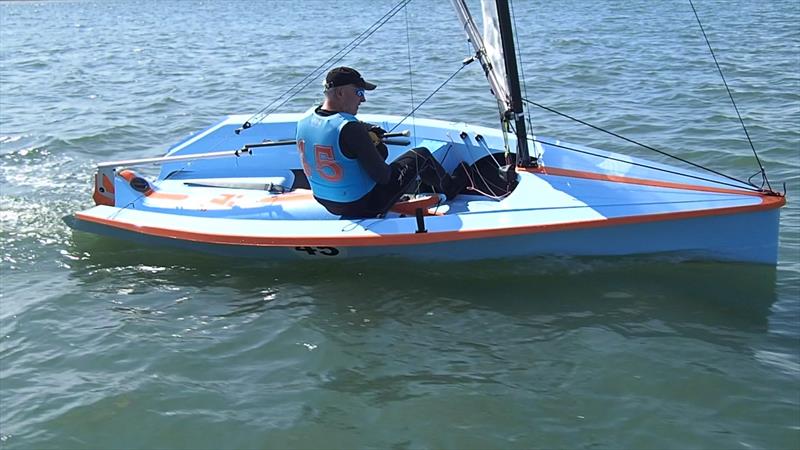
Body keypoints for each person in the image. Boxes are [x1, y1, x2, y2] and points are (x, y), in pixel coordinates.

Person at [295, 66, 468, 218]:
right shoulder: (351, 129)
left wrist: (365, 132)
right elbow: (383, 176)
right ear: (340, 93)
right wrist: (376, 144)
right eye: (359, 93)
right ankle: (451, 188)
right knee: (421, 154)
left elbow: (332, 130)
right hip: (362, 205)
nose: (363, 100)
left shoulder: (305, 119)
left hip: (325, 201)